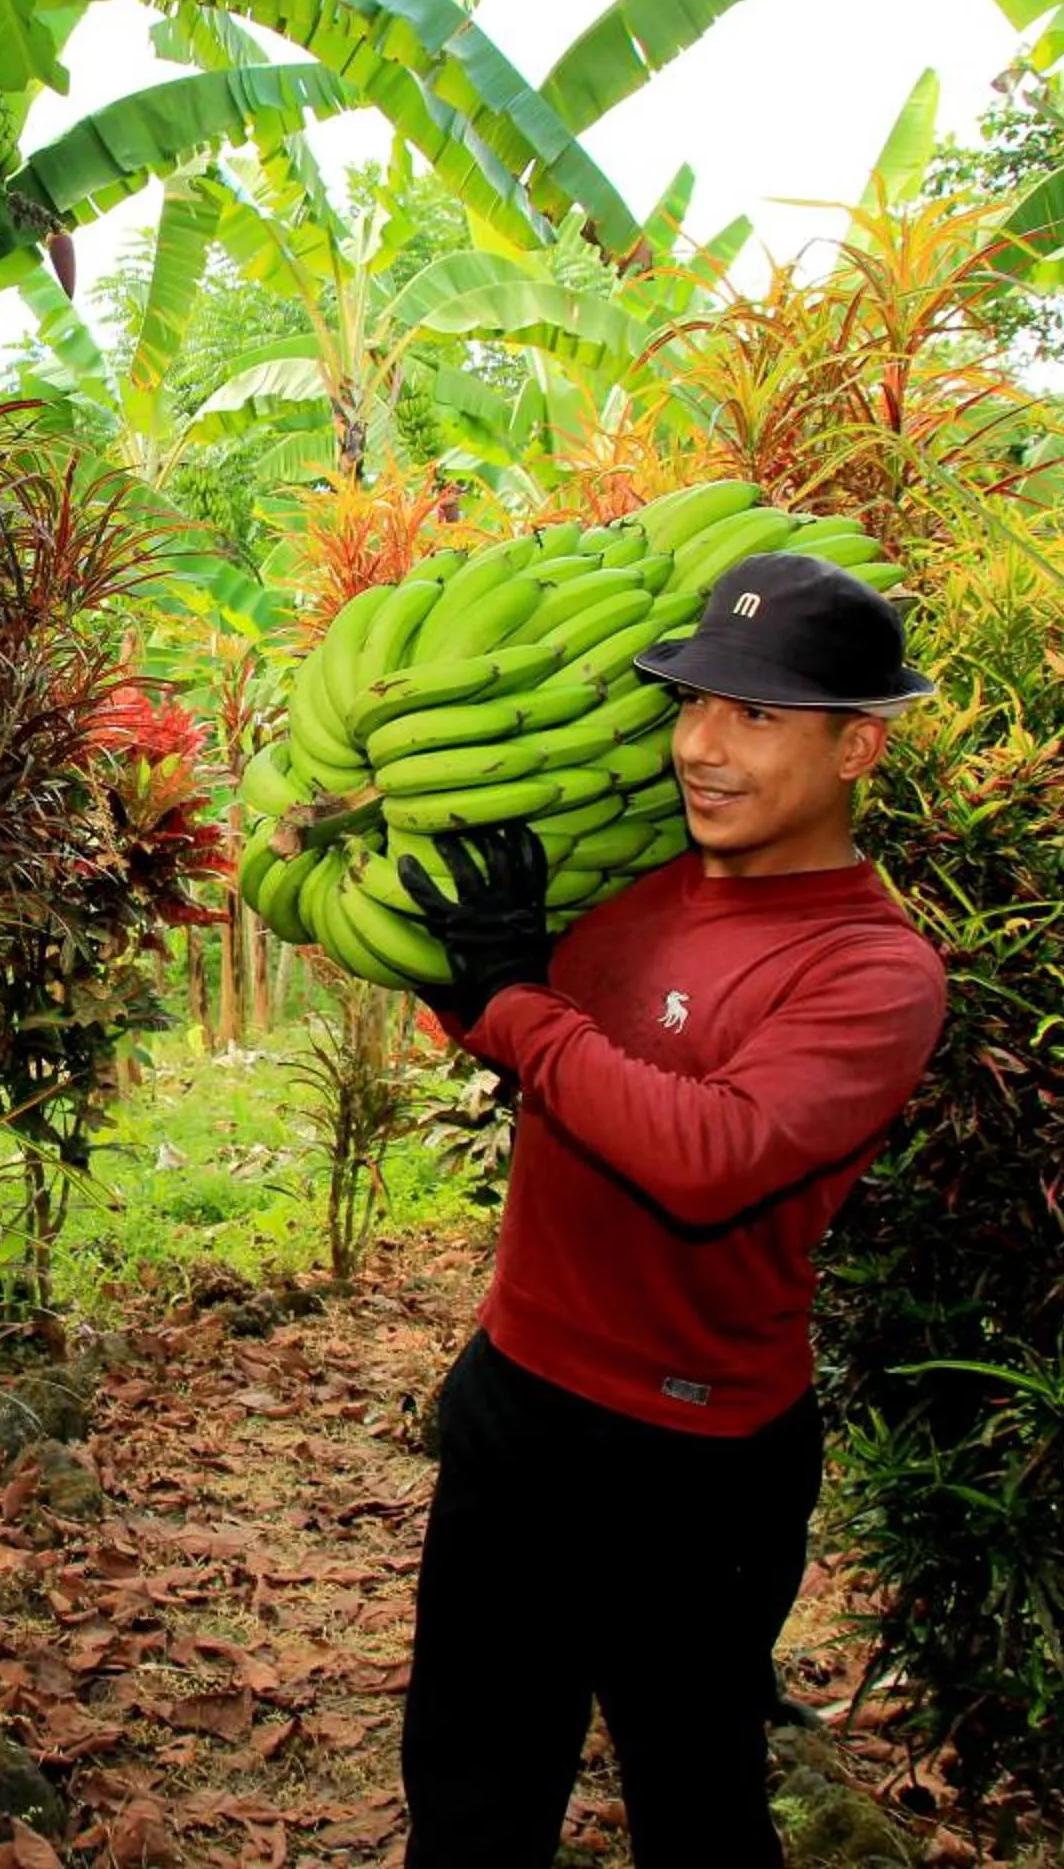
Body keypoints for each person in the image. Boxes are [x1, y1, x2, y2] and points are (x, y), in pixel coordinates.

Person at [390, 551, 948, 1868]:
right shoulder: (634, 893)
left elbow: (711, 1156)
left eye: (755, 715)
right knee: (467, 1790)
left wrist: (519, 1009)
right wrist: (472, 985)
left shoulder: (874, 970)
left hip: (694, 1455)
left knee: (696, 1800)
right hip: (517, 1395)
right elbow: (535, 1056)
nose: (703, 744)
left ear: (858, 747)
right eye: (693, 703)